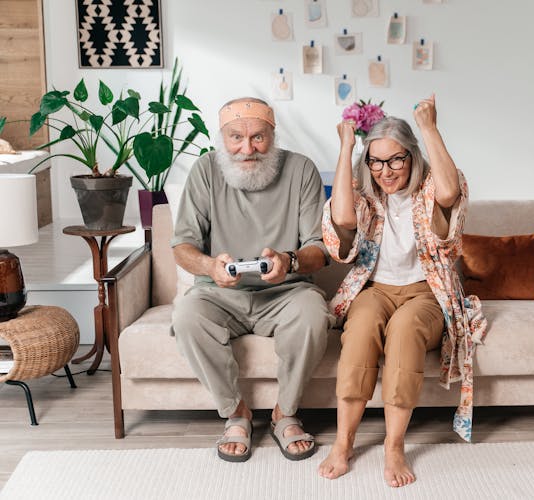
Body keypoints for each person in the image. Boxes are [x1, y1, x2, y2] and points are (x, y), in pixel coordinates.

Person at [318, 95, 487, 487]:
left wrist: (429, 128)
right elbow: (342, 219)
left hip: (425, 293)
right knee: (359, 332)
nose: (386, 170)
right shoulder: (366, 194)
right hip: (374, 290)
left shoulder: (430, 189)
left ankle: (394, 446)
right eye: (376, 161)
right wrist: (346, 147)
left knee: (405, 330)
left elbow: (450, 194)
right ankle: (343, 443)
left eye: (396, 159)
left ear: (412, 157)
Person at [171, 97, 332, 463]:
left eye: (258, 137)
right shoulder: (205, 170)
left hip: (287, 291)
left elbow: (319, 250)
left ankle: (284, 413)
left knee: (312, 313)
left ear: (273, 135)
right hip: (220, 294)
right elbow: (182, 246)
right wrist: (211, 266)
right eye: (236, 138)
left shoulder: (301, 170)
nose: (248, 149)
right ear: (222, 138)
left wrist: (289, 261)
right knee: (186, 316)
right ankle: (236, 412)